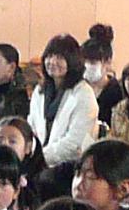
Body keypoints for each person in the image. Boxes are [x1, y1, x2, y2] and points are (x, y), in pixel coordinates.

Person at [28, 34, 98, 168]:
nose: (52, 62)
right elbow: (31, 128)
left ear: (72, 61)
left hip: (68, 166)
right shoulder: (40, 90)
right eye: (49, 56)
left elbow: (74, 144)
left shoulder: (83, 94)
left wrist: (41, 158)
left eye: (60, 58)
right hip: (39, 162)